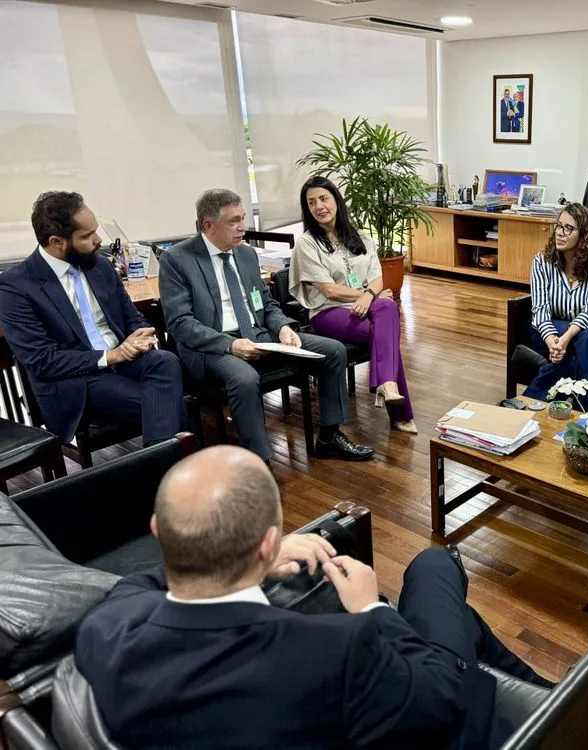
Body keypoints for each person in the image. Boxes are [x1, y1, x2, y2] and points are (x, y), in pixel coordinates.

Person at [75, 445, 554, 750]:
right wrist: (371, 610)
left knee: (458, 613)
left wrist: (254, 562)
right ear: (267, 542)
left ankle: (552, 694)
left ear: (159, 532)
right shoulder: (337, 652)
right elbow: (443, 698)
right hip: (445, 710)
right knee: (434, 567)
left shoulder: (107, 629)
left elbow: (138, 585)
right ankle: (564, 704)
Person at [158, 189, 374, 463]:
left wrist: (284, 327)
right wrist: (231, 344)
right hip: (215, 347)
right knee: (245, 379)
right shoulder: (178, 260)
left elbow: (267, 304)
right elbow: (180, 323)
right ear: (208, 226)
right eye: (234, 221)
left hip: (260, 334)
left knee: (333, 351)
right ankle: (260, 463)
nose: (242, 227)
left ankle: (329, 437)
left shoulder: (246, 255)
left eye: (243, 218)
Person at [0, 191, 188, 446]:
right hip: (75, 381)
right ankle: (178, 469)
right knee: (166, 403)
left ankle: (165, 473)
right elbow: (42, 361)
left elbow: (132, 318)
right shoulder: (16, 286)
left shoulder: (99, 265)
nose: (99, 240)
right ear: (57, 241)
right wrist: (111, 356)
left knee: (165, 360)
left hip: (122, 361)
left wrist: (140, 334)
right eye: (87, 236)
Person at [289, 176, 416, 434]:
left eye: (323, 199)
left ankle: (388, 386)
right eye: (311, 202)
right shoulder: (307, 243)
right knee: (386, 334)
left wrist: (368, 296)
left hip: (364, 306)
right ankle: (399, 411)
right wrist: (365, 295)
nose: (319, 206)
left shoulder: (359, 237)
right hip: (327, 312)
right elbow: (328, 289)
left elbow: (377, 278)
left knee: (387, 308)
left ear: (336, 200)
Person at [523, 202, 588, 402]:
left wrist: (565, 339)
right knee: (586, 341)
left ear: (584, 235)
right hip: (549, 328)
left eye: (568, 228)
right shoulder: (542, 262)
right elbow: (539, 310)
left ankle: (529, 403)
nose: (559, 233)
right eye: (559, 226)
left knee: (586, 339)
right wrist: (552, 342)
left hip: (587, 329)